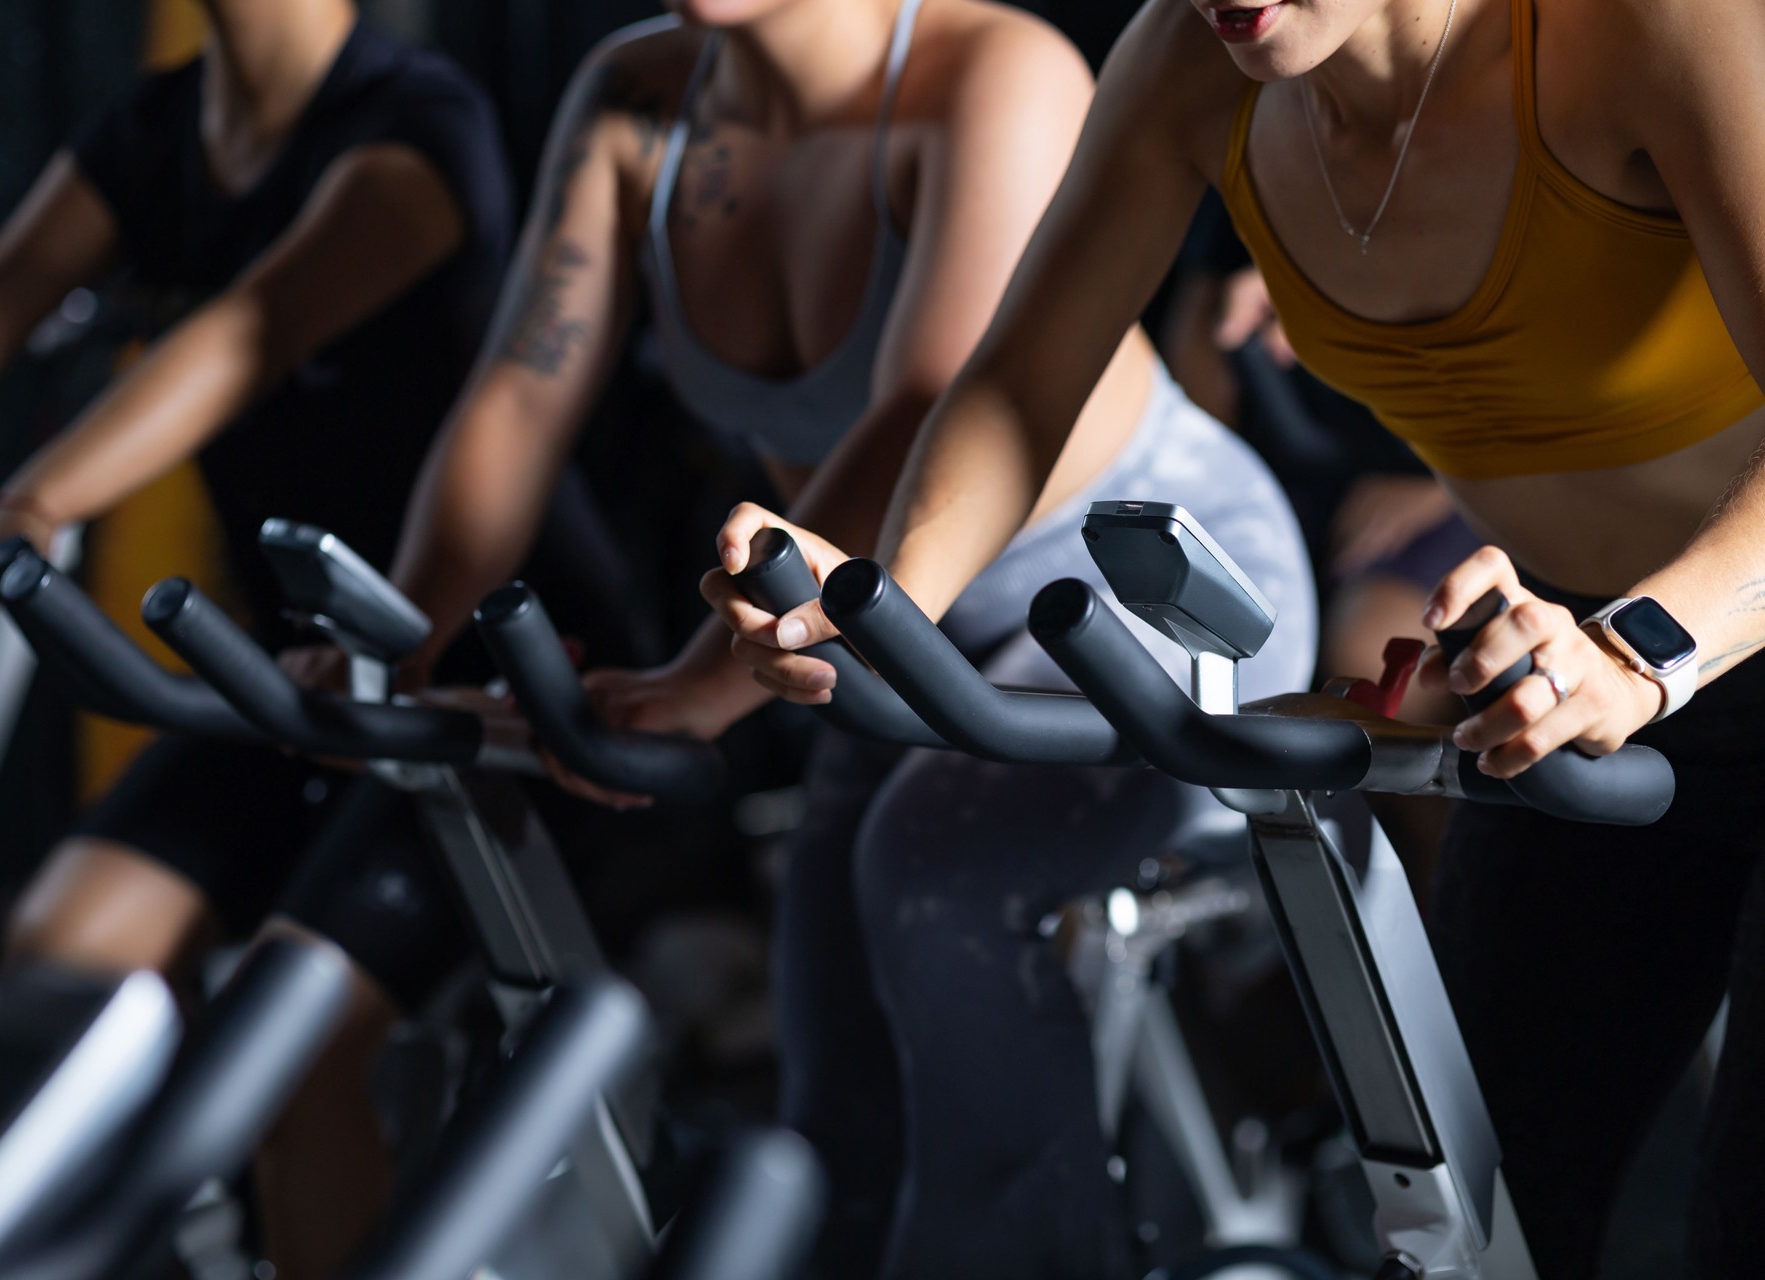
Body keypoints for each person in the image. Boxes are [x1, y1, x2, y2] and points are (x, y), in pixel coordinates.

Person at [706, 0, 1765, 1273]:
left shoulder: (1651, 29)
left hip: (1662, 640)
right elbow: (1026, 376)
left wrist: (1645, 644)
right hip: (1572, 681)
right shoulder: (1191, 61)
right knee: (1477, 1217)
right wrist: (889, 604)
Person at [358, 0, 1314, 1275]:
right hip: (886, 624)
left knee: (929, 876)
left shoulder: (995, 73)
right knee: (834, 1013)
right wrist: (400, 637)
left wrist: (704, 688)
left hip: (1142, 591)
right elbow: (523, 394)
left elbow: (931, 407)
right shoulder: (634, 97)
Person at [0, 2, 513, 1273]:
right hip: (286, 686)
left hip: (477, 694)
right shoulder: (159, 133)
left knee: (295, 1044)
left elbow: (254, 333)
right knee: (58, 965)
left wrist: (38, 501)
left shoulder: (416, 123)